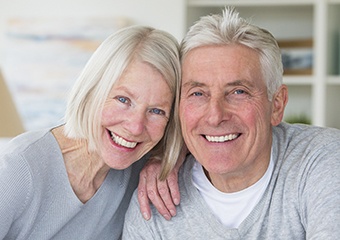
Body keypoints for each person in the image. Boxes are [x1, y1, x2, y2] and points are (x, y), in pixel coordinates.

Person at [123, 7, 340, 239]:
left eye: (238, 92)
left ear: (276, 105)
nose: (215, 116)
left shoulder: (323, 159)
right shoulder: (153, 205)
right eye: (198, 93)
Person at [0, 25, 184, 239]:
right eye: (123, 100)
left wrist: (168, 159)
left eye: (156, 111)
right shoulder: (18, 168)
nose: (135, 127)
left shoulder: (139, 167)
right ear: (92, 90)